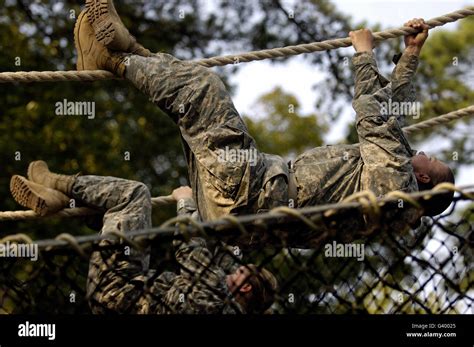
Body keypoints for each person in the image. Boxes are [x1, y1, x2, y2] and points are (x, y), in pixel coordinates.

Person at [10, 162, 278, 314]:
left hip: (117, 285)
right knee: (119, 217)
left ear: (245, 288)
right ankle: (60, 201)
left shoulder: (213, 299)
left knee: (135, 195)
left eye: (240, 271)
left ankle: (58, 183)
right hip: (125, 289)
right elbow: (223, 256)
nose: (233, 270)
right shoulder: (225, 299)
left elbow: (189, 249)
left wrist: (185, 203)